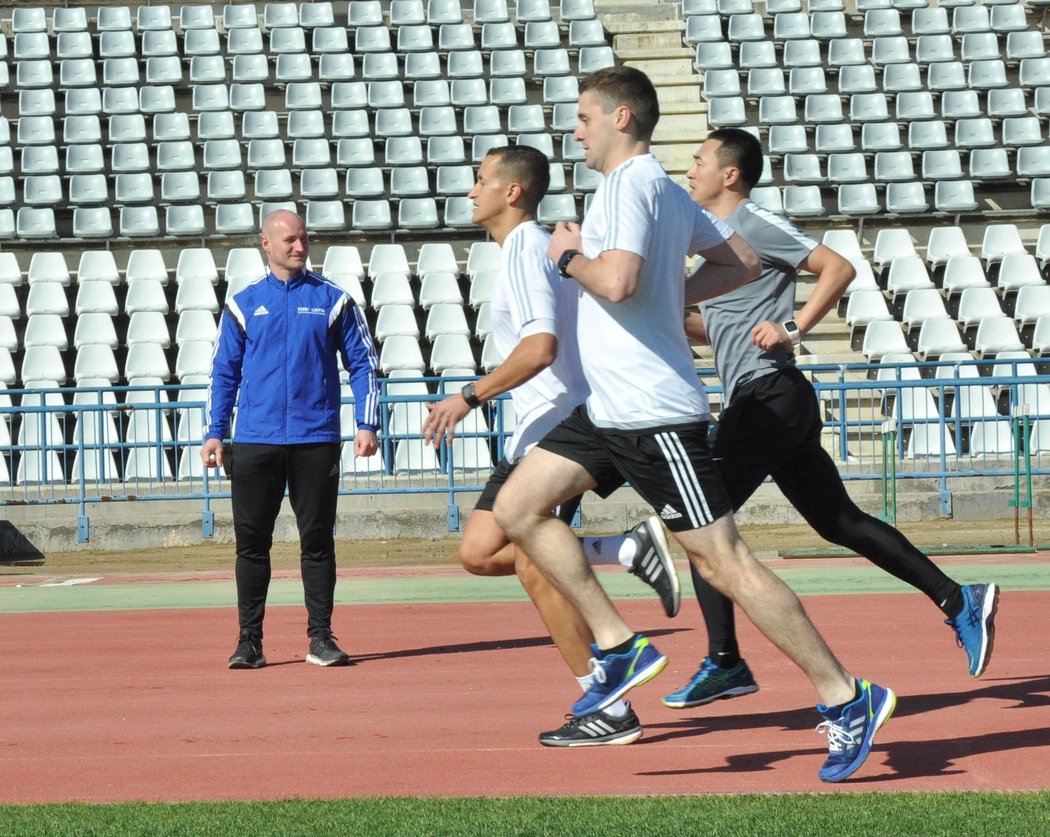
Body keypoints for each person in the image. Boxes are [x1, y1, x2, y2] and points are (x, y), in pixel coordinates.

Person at [493, 66, 895, 783]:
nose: (575, 129)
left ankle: (846, 695)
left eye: (585, 116)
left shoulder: (633, 186)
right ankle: (619, 645)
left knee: (724, 561)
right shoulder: (664, 191)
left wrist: (567, 256)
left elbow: (615, 281)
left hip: (655, 415)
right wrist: (659, 283)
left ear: (622, 119)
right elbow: (738, 259)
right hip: (608, 408)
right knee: (518, 508)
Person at [661, 127, 999, 710]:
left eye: (697, 161)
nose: (689, 170)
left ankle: (724, 661)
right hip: (765, 399)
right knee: (838, 521)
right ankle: (958, 599)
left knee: (702, 525)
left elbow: (838, 268)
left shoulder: (754, 224)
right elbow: (717, 329)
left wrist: (794, 328)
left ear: (730, 174)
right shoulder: (714, 246)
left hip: (770, 397)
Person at [421, 145, 679, 747]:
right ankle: (619, 548)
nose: (471, 191)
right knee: (481, 551)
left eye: (480, 180)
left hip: (554, 431)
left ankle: (607, 700)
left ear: (512, 192)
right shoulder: (534, 248)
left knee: (538, 571)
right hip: (544, 428)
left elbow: (541, 348)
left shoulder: (526, 250)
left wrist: (469, 395)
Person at [202, 209, 381, 670]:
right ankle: (249, 642)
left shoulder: (332, 299)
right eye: (289, 241)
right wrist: (214, 432)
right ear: (266, 244)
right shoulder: (243, 303)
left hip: (315, 438)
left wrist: (367, 423)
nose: (299, 247)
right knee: (251, 544)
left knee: (317, 541)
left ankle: (321, 638)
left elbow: (364, 364)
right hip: (256, 441)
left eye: (304, 239)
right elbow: (224, 372)